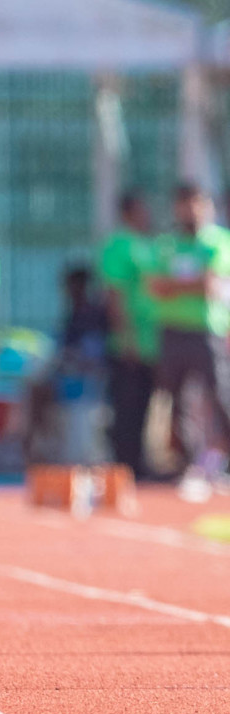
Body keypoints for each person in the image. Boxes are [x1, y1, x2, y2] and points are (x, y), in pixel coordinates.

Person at [146, 182, 230, 498]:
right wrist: (191, 283)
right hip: (171, 331)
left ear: (207, 206)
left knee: (221, 397)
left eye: (197, 203)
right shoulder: (166, 244)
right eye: (185, 204)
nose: (191, 210)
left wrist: (176, 285)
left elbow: (210, 285)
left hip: (207, 331)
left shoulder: (219, 242)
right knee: (174, 401)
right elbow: (155, 285)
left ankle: (223, 464)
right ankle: (186, 466)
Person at [98, 190, 159, 480]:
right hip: (130, 345)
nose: (147, 214)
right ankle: (125, 465)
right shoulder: (119, 246)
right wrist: (128, 339)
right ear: (127, 213)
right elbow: (114, 296)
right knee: (127, 406)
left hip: (152, 345)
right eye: (141, 209)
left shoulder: (149, 245)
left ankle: (139, 462)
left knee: (145, 406)